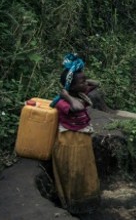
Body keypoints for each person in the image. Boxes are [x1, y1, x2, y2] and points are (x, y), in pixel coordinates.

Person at [51, 54, 101, 214]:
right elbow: (77, 107)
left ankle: (87, 201)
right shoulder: (62, 101)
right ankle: (73, 204)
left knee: (85, 168)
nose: (86, 84)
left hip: (82, 139)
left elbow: (97, 83)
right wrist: (66, 94)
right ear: (71, 87)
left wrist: (81, 76)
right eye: (82, 82)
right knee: (72, 171)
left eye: (85, 81)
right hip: (69, 141)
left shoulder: (81, 93)